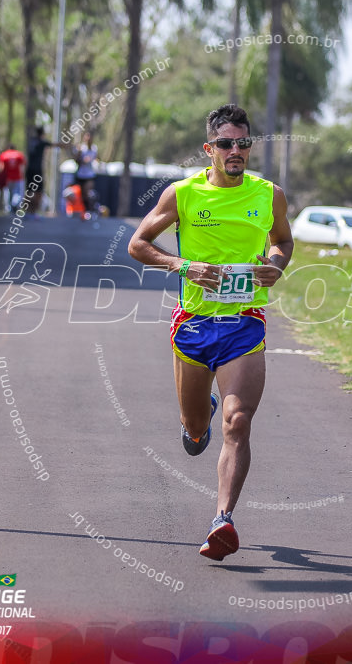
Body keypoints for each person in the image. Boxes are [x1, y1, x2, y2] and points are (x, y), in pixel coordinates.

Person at [127, 104, 293, 562]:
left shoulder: (269, 195)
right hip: (194, 325)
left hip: (245, 325)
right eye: (225, 144)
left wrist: (274, 265)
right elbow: (138, 244)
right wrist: (182, 265)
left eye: (242, 143)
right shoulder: (183, 194)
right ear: (209, 150)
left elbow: (283, 240)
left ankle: (222, 520)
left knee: (237, 423)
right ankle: (194, 422)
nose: (235, 150)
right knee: (198, 429)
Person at [25, 127, 70, 215]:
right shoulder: (42, 142)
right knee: (38, 192)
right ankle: (33, 212)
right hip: (37, 170)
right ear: (42, 134)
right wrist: (67, 145)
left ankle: (27, 212)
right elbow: (55, 145)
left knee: (29, 191)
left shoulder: (31, 141)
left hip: (29, 169)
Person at [0, 145, 26, 212]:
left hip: (7, 178)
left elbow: (1, 167)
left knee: (7, 192)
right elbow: (22, 166)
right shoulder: (19, 155)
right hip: (18, 177)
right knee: (17, 193)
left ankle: (8, 207)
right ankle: (15, 204)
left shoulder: (4, 155)